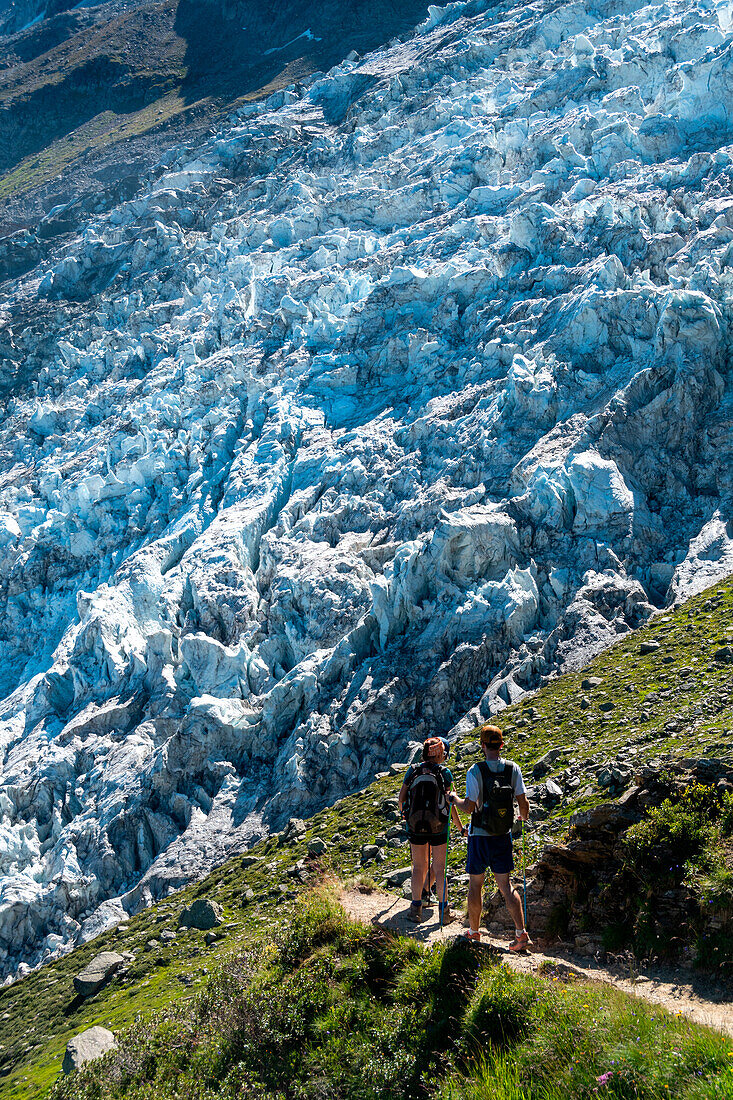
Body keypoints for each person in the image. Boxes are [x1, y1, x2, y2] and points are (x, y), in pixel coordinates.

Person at [449, 723, 532, 950]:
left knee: (475, 885)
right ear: (501, 744)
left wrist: (454, 799)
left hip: (479, 836)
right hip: (502, 835)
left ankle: (474, 933)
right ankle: (521, 935)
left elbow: (468, 807)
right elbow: (523, 804)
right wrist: (521, 819)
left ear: (483, 745)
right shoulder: (513, 769)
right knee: (506, 886)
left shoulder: (475, 771)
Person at [398, 737, 465, 924]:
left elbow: (401, 799)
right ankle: (444, 913)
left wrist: (406, 816)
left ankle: (415, 910)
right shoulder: (445, 773)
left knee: (418, 867)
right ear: (439, 754)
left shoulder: (412, 771)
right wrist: (460, 828)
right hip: (439, 827)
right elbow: (450, 805)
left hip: (415, 826)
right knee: (440, 868)